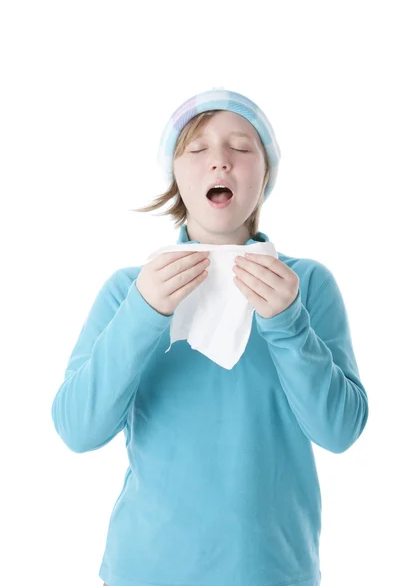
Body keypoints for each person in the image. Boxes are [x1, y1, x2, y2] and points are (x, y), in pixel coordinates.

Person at [51, 87, 369, 586]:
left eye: (241, 148)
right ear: (175, 176)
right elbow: (77, 429)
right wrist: (143, 312)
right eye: (197, 149)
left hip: (272, 573)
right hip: (143, 571)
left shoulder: (307, 285)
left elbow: (340, 430)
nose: (219, 161)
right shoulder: (127, 290)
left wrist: (288, 323)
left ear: (265, 175)